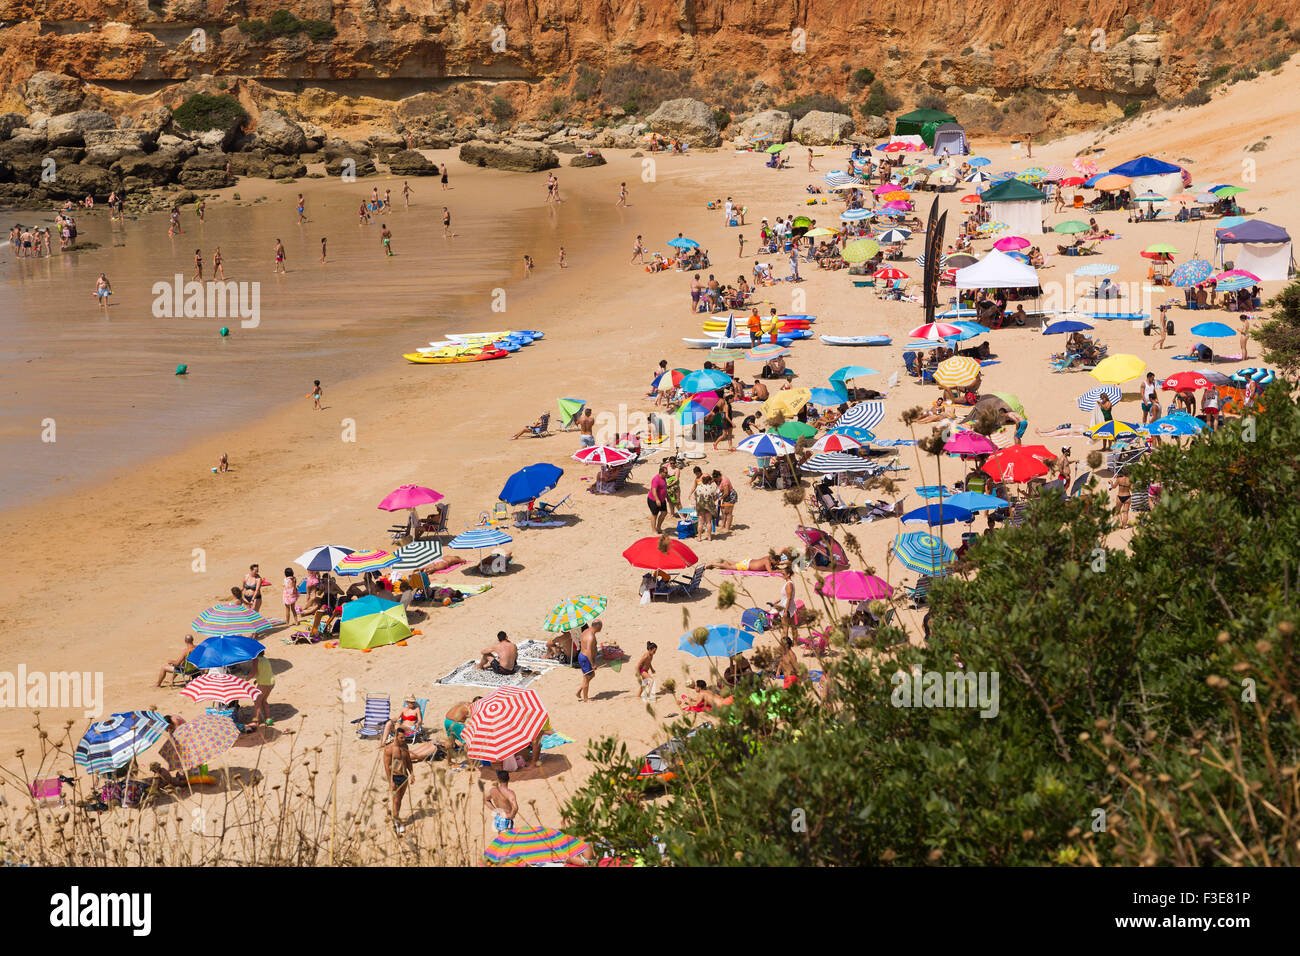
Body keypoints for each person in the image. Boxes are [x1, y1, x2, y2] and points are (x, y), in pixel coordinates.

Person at [382, 728, 414, 831]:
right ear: (395, 737)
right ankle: (396, 822)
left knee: (399, 800)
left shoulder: (405, 746)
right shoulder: (389, 749)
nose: (403, 740)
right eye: (401, 738)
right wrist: (390, 781)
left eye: (404, 737)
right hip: (395, 777)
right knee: (396, 800)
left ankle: (396, 818)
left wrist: (412, 774)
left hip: (404, 776)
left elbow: (408, 761)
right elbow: (387, 766)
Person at [576, 620, 601, 702]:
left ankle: (579, 691)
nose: (601, 628)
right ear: (597, 626)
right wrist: (592, 663)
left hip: (582, 656)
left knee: (590, 675)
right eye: (601, 626)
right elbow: (588, 651)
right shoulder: (591, 637)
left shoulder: (586, 631)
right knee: (587, 678)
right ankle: (585, 698)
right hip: (585, 658)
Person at [249, 653, 275, 727]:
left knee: (257, 702)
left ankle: (256, 721)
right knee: (263, 701)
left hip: (263, 683)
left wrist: (245, 679)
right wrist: (257, 680)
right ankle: (268, 719)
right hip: (271, 682)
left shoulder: (255, 660)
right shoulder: (265, 659)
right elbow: (265, 672)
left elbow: (253, 672)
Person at [694, 472, 720, 541]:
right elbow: (715, 497)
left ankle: (699, 537)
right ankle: (709, 537)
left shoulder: (698, 487)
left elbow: (695, 496)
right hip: (709, 506)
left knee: (700, 522)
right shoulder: (712, 488)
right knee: (708, 522)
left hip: (700, 506)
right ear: (709, 481)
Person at [647, 465, 669, 533]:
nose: (667, 474)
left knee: (664, 513)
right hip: (653, 500)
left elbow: (664, 489)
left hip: (662, 500)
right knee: (654, 515)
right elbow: (654, 490)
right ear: (661, 472)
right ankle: (654, 530)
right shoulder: (656, 479)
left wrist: (667, 497)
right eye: (666, 472)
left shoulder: (663, 478)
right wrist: (657, 499)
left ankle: (658, 528)